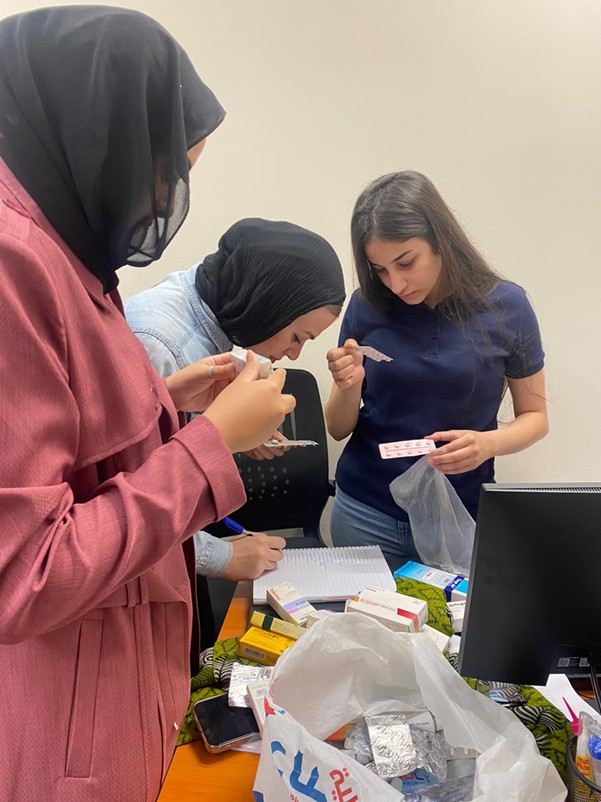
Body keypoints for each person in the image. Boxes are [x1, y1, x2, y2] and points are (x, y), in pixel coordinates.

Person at [0, 7, 295, 802]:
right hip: (69, 721)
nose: (165, 196)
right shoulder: (12, 262)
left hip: (114, 682)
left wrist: (166, 401)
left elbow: (64, 445)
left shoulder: (63, 251)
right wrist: (210, 446)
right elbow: (23, 574)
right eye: (164, 170)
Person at [325, 170, 548, 562]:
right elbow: (338, 427)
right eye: (380, 270)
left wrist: (487, 444)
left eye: (406, 262)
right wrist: (348, 384)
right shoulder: (365, 305)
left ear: (440, 240)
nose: (396, 284)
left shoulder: (507, 307)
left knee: (459, 606)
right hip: (365, 511)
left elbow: (536, 417)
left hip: (458, 516)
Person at [125, 217, 346, 581]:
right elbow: (134, 511)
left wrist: (232, 436)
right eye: (296, 337)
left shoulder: (209, 299)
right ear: (268, 302)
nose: (293, 355)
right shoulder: (163, 346)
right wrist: (224, 557)